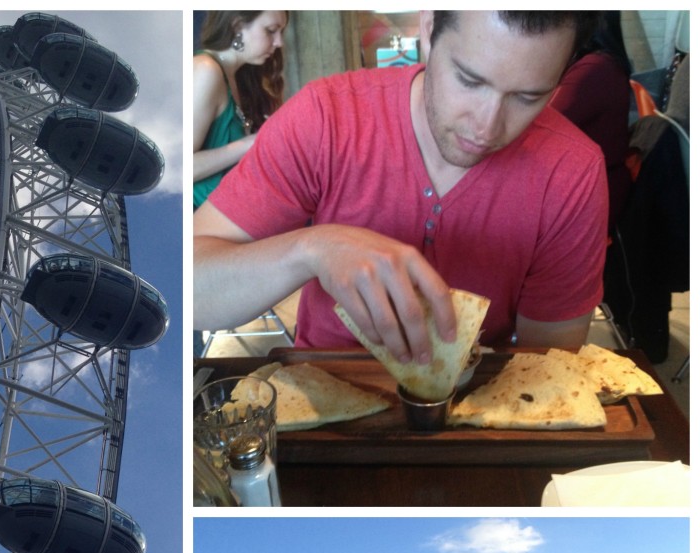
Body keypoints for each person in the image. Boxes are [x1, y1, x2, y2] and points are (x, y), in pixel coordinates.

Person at [194, 11, 607, 365]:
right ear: (428, 29)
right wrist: (313, 249)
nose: (487, 126)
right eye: (468, 80)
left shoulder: (573, 173)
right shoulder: (325, 117)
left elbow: (545, 371)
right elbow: (188, 286)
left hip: (478, 411)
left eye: (528, 97)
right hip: (321, 404)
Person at [193, 12, 288, 210]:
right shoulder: (206, 71)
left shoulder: (244, 78)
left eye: (281, 32)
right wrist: (253, 142)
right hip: (205, 223)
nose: (279, 42)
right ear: (237, 26)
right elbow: (181, 166)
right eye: (270, 31)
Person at [549, 12, 633, 232]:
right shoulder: (602, 62)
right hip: (592, 183)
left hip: (592, 197)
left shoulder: (594, 69)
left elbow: (543, 124)